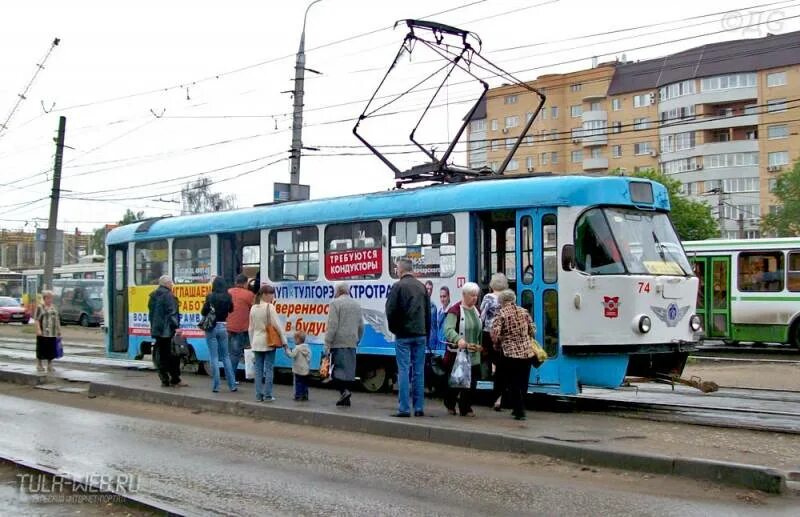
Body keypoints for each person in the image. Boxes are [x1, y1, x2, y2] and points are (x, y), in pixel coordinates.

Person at [385, 257, 430, 417]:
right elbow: (427, 313)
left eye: (397, 269)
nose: (396, 271)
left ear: (401, 270)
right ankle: (419, 408)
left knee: (403, 370)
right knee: (419, 371)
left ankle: (404, 408)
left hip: (403, 335)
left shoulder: (398, 286)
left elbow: (390, 310)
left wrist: (395, 329)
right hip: (420, 334)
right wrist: (427, 333)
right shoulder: (422, 287)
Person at [491, 289, 536, 421]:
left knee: (512, 382)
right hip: (527, 352)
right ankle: (520, 407)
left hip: (509, 353)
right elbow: (533, 330)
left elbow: (495, 334)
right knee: (523, 382)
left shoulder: (501, 314)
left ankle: (518, 410)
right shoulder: (524, 311)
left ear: (502, 302)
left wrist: (498, 343)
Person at [443, 282, 483, 417]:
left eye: (476, 296)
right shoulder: (455, 310)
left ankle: (465, 406)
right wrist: (458, 339)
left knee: (471, 383)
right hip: (457, 354)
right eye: (472, 295)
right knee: (456, 382)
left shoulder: (477, 311)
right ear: (464, 295)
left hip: (474, 353)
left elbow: (480, 330)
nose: (475, 298)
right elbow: (448, 329)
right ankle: (450, 404)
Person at [325, 282, 364, 407]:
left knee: (337, 372)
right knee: (348, 372)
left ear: (338, 291)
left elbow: (332, 325)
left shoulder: (335, 304)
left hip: (338, 342)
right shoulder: (356, 305)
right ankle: (345, 399)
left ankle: (344, 392)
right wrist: (358, 339)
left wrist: (327, 342)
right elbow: (361, 325)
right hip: (352, 342)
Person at [248, 284, 287, 402]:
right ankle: (268, 395)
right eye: (271, 295)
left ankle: (258, 395)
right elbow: (277, 326)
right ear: (265, 295)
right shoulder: (270, 307)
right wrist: (284, 341)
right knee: (269, 369)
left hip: (256, 342)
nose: (273, 297)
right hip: (269, 342)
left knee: (258, 370)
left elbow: (250, 328)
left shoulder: (253, 308)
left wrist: (251, 343)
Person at [201, 276, 236, 393]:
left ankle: (216, 386)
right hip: (223, 327)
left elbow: (203, 312)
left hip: (211, 328)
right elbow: (231, 310)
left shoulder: (210, 296)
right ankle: (232, 385)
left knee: (214, 357)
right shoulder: (228, 296)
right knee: (226, 357)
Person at [148, 275, 183, 388]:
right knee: (172, 355)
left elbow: (151, 313)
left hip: (157, 331)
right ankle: (175, 379)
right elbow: (172, 313)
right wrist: (176, 326)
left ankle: (164, 380)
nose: (172, 285)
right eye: (171, 283)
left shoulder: (153, 295)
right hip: (167, 331)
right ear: (167, 284)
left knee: (161, 356)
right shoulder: (168, 296)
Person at [480, 272, 508, 410]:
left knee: (486, 359)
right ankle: (499, 398)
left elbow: (482, 316)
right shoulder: (508, 298)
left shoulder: (488, 298)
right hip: (503, 336)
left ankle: (487, 375)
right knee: (501, 367)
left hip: (488, 335)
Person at [227, 273, 254, 376]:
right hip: (241, 328)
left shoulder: (228, 292)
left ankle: (230, 375)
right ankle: (232, 377)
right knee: (238, 353)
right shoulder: (249, 294)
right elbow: (255, 308)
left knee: (231, 353)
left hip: (228, 327)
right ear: (245, 283)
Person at [34, 290, 61, 373]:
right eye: (48, 298)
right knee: (41, 348)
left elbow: (57, 319)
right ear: (44, 298)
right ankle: (39, 364)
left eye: (51, 298)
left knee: (51, 349)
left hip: (52, 332)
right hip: (43, 332)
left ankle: (50, 365)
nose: (50, 300)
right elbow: (36, 320)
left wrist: (59, 330)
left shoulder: (53, 307)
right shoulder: (40, 307)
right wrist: (38, 330)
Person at [285, 331, 311, 401]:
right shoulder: (307, 348)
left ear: (298, 339)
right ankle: (305, 395)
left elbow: (291, 355)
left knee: (298, 382)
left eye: (294, 339)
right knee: (305, 383)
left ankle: (298, 395)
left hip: (298, 369)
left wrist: (286, 349)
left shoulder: (297, 348)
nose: (294, 341)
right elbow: (309, 358)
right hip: (306, 369)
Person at [434, 286, 451, 352]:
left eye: (444, 296)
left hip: (446, 346)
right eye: (441, 297)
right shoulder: (439, 312)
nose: (442, 299)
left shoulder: (452, 311)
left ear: (449, 296)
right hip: (438, 346)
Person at [424, 280, 438, 349]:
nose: (429, 291)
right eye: (427, 289)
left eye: (430, 289)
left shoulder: (433, 307)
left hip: (430, 342)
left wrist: (434, 342)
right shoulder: (419, 304)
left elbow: (434, 326)